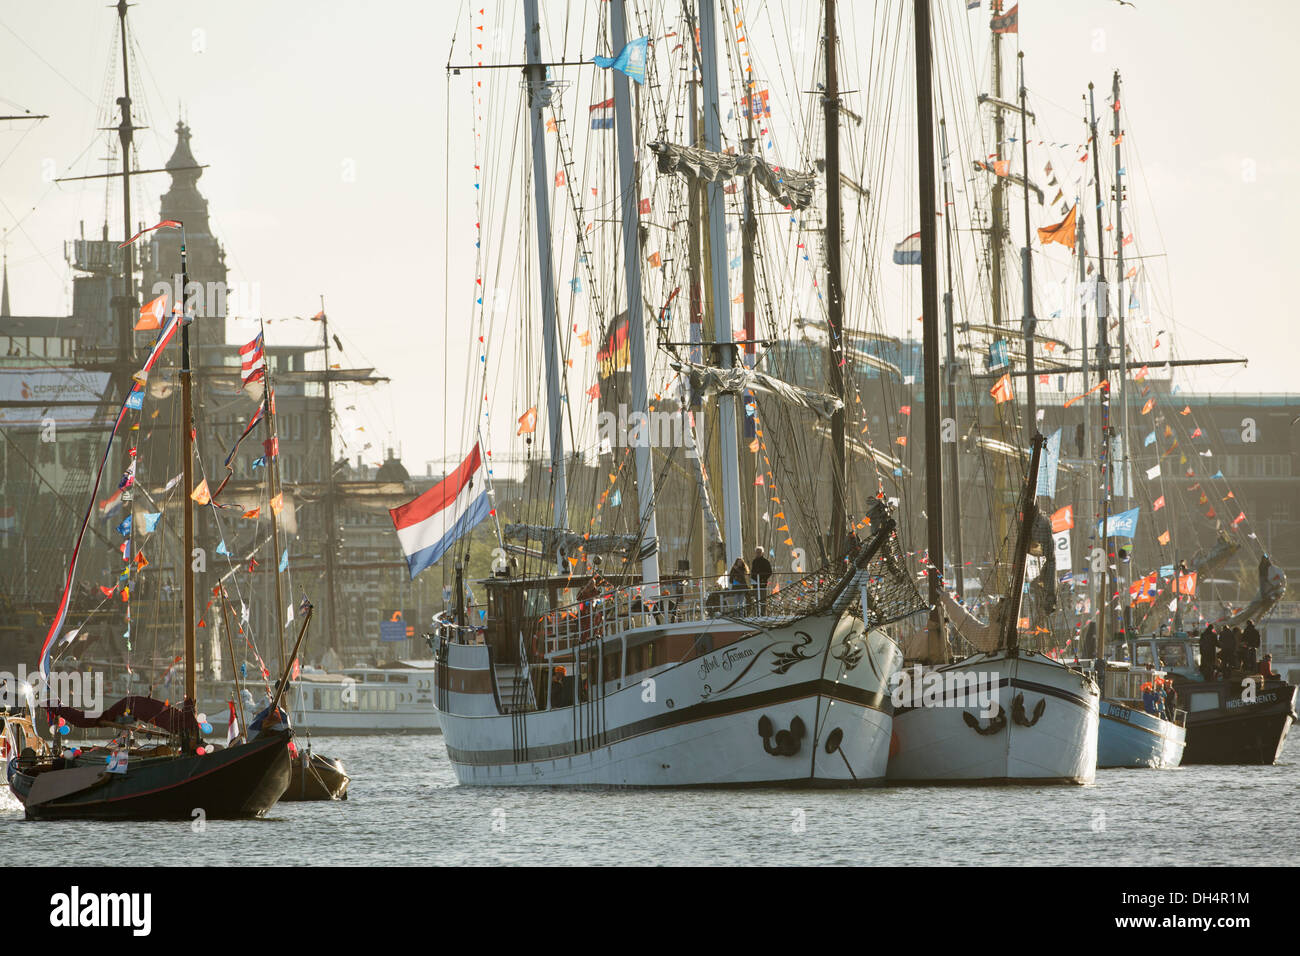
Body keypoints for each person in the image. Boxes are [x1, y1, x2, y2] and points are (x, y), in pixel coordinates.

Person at [750, 547, 773, 611]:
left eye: (759, 552)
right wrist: (752, 579)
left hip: (762, 584)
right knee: (756, 600)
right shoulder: (754, 561)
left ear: (762, 553)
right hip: (755, 584)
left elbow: (769, 572)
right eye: (757, 552)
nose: (758, 554)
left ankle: (762, 613)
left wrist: (763, 578)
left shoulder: (766, 562)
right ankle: (757, 613)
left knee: (762, 600)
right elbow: (753, 572)